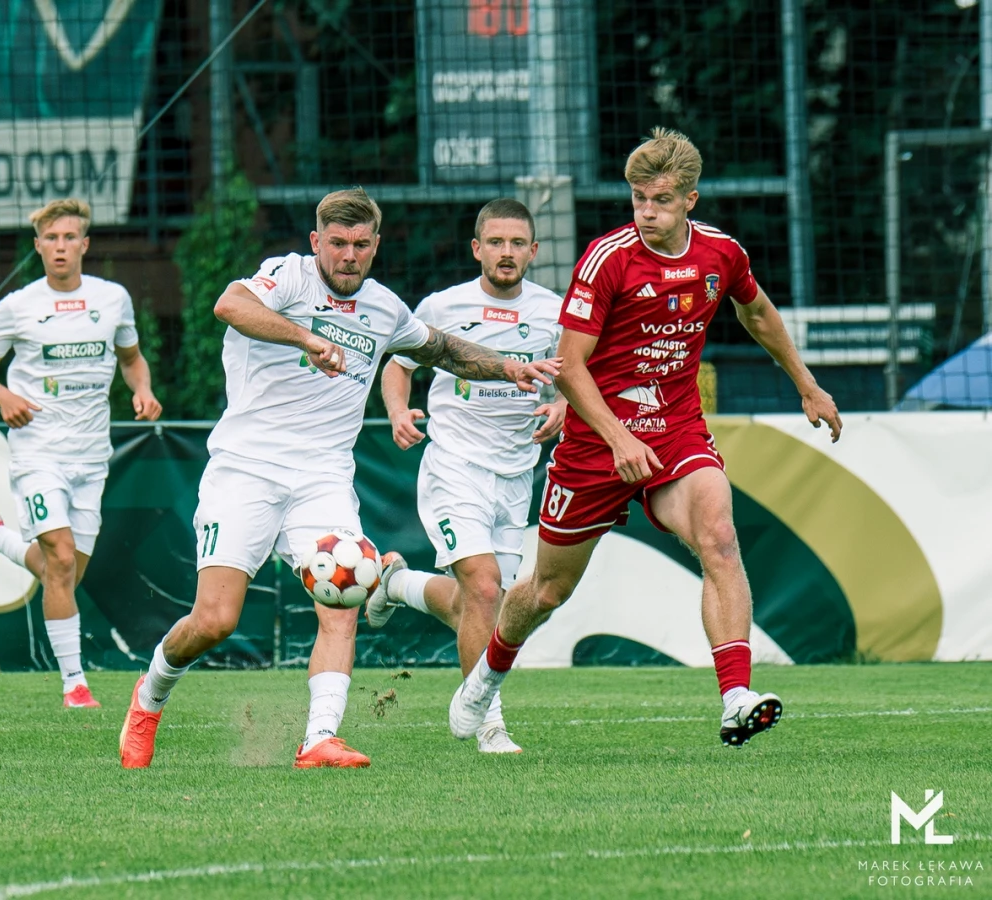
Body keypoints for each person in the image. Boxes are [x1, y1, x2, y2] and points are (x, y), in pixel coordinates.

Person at [117, 188, 559, 769]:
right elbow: (229, 304)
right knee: (215, 621)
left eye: (360, 245)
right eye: (337, 243)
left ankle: (319, 739)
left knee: (343, 595)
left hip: (323, 478)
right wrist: (306, 336)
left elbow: (443, 349)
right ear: (316, 242)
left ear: (375, 246)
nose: (348, 256)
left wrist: (506, 367)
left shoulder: (385, 308)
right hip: (246, 469)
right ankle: (149, 697)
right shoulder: (289, 277)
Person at [447, 128, 843, 748]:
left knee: (719, 537)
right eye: (638, 199)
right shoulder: (608, 259)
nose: (647, 212)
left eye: (660, 200)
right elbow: (569, 367)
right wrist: (618, 440)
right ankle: (486, 678)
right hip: (594, 444)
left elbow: (757, 312)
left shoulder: (721, 254)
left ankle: (735, 697)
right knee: (546, 591)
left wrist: (807, 384)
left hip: (677, 430)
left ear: (690, 199)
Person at [367, 198, 566, 754]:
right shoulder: (444, 305)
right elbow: (399, 365)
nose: (506, 252)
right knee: (482, 587)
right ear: (477, 248)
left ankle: (395, 584)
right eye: (495, 242)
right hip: (455, 465)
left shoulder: (554, 311)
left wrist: (563, 406)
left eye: (517, 243)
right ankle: (489, 722)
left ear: (533, 251)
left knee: (476, 603)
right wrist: (398, 411)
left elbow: (579, 374)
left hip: (517, 474)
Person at [0, 198, 162, 708]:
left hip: (91, 457)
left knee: (63, 574)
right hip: (38, 451)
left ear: (85, 244)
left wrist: (143, 389)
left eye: (70, 237)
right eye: (51, 238)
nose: (61, 246)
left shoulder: (112, 299)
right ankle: (75, 684)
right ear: (38, 246)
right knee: (62, 558)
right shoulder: (18, 306)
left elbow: (132, 358)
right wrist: (3, 397)